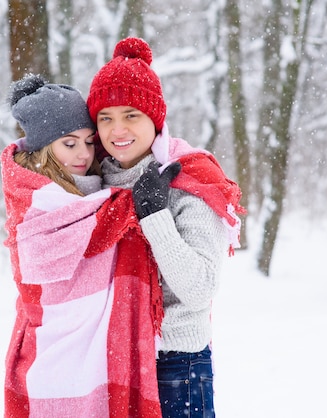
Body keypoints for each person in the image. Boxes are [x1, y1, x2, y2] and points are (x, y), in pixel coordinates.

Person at [87, 37, 246, 417]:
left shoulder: (189, 179)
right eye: (105, 117)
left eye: (131, 115)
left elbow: (199, 288)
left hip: (175, 364)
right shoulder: (95, 185)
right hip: (110, 361)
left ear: (155, 120)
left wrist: (155, 218)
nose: (117, 129)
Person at [1, 74, 164, 417]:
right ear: (42, 148)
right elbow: (43, 278)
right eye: (69, 143)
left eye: (89, 142)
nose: (83, 154)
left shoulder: (95, 190)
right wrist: (131, 203)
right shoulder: (37, 200)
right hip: (54, 358)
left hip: (101, 359)